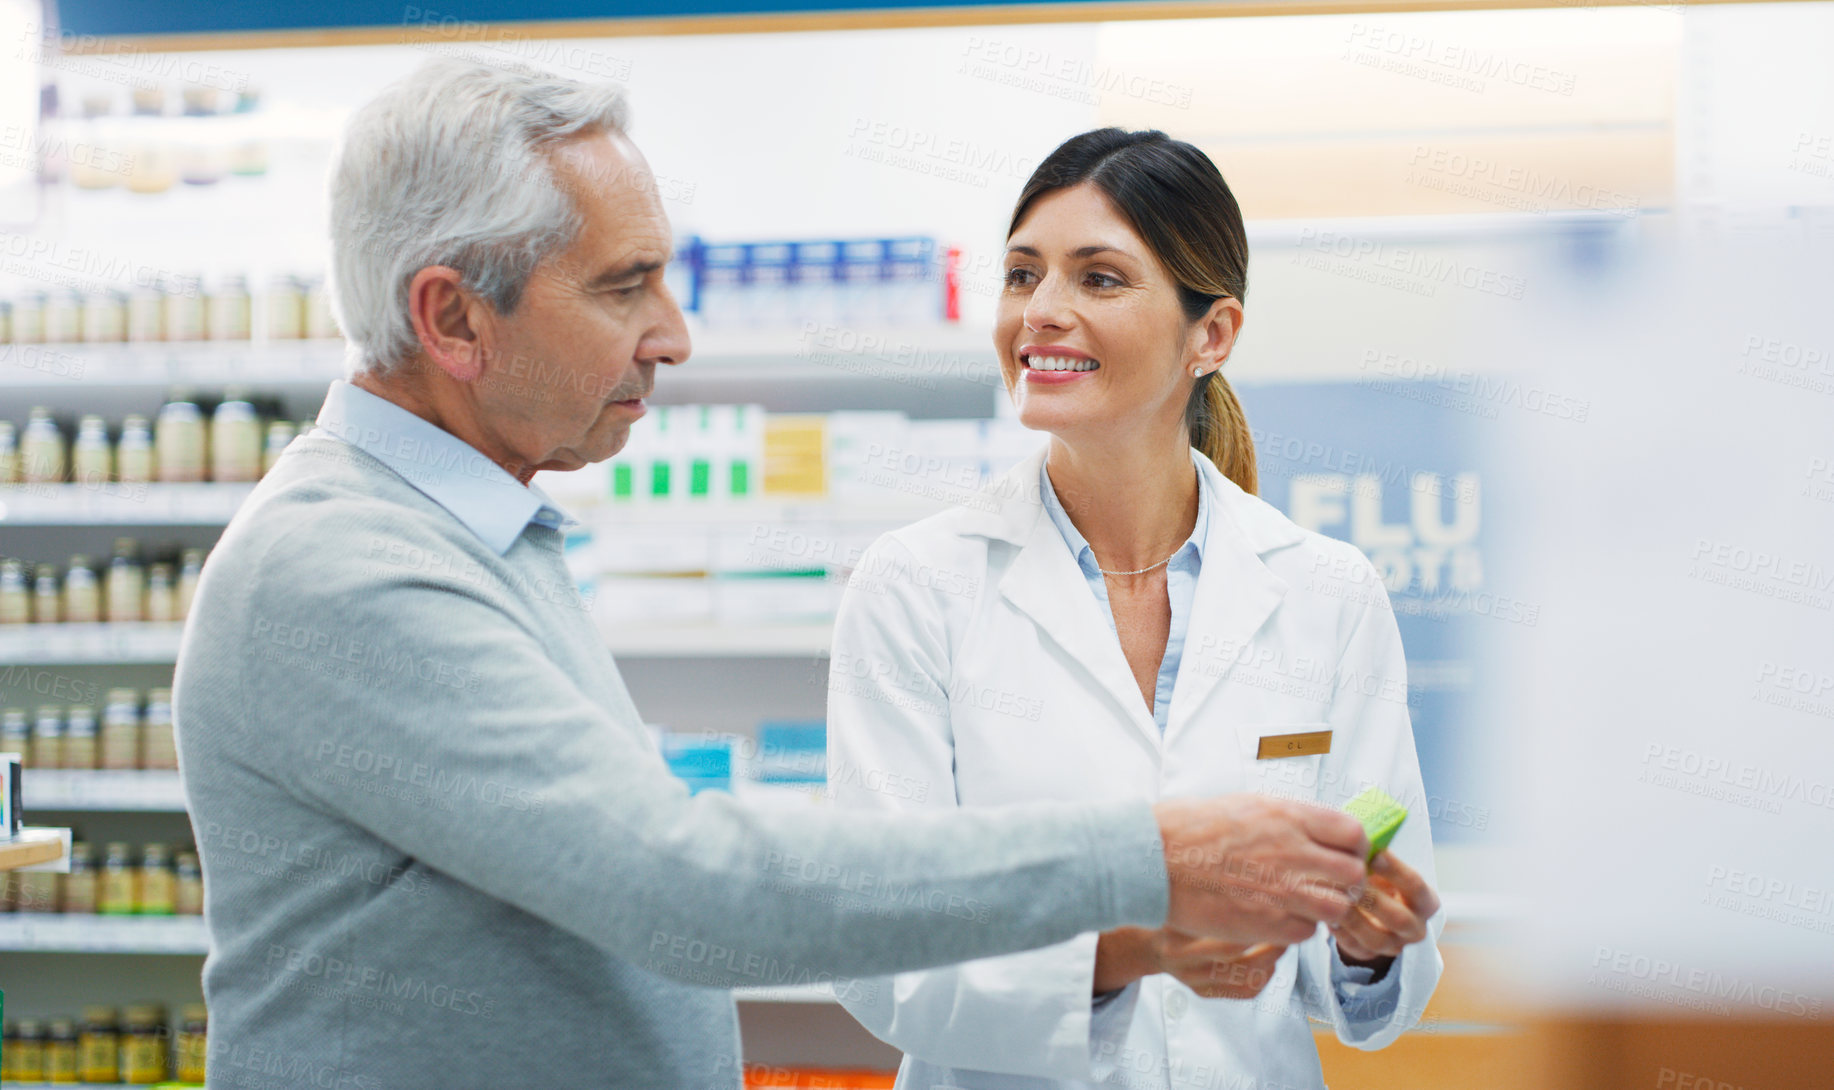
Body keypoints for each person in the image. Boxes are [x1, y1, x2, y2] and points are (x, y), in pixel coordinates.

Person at [171, 64, 1376, 1090]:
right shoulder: (345, 566)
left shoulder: (477, 532)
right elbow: (678, 886)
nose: (673, 332)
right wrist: (1147, 859)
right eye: (621, 283)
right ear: (453, 319)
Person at [827, 128, 1445, 1090]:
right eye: (1023, 274)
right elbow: (878, 949)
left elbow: (1360, 993)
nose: (1042, 312)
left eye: (1099, 279)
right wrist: (1125, 953)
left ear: (1213, 333)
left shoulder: (1329, 593)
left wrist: (1368, 947)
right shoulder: (915, 586)